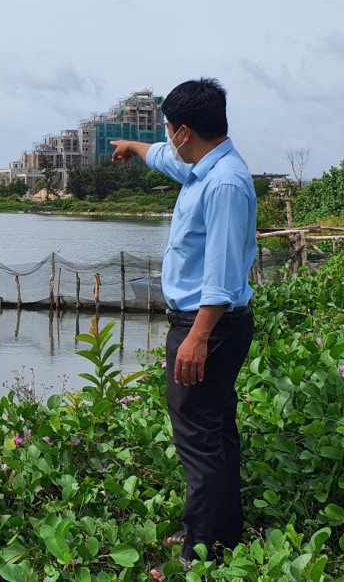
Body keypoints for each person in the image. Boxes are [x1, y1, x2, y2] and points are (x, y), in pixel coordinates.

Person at [111, 78, 257, 579]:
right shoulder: (202, 165)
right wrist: (133, 146)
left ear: (185, 130)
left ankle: (201, 549)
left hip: (206, 324)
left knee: (197, 437)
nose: (168, 138)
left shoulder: (224, 184)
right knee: (215, 430)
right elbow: (166, 159)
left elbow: (220, 277)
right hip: (208, 323)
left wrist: (196, 338)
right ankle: (219, 530)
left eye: (169, 129)